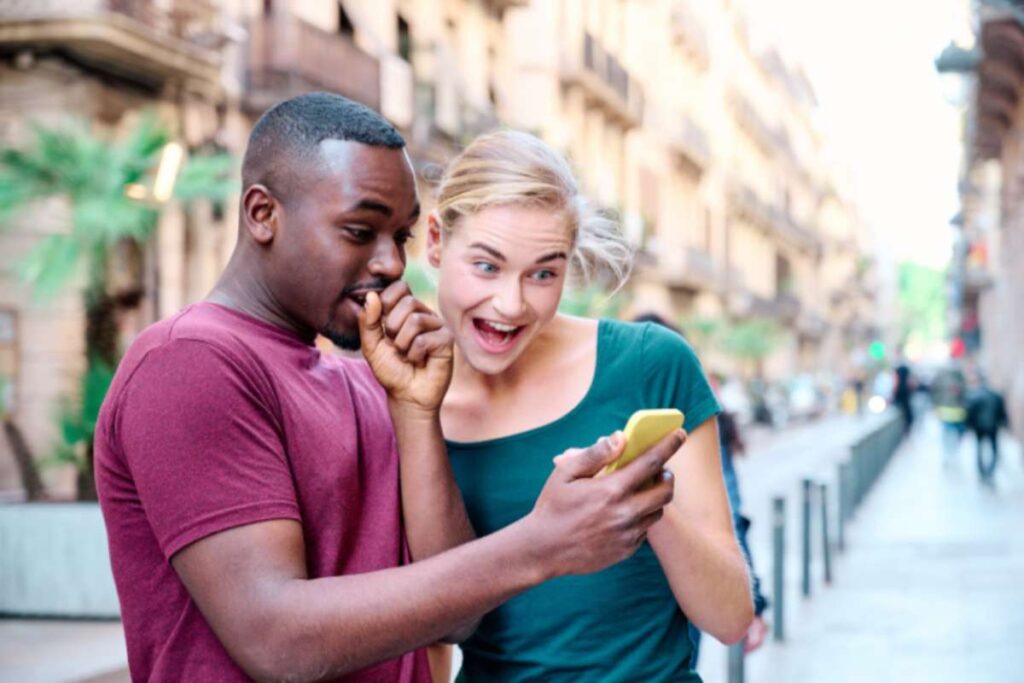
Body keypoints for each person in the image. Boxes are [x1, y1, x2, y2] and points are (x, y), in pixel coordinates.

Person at [94, 93, 681, 682]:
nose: (390, 265)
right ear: (262, 214)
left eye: (398, 238)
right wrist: (542, 542)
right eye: (358, 230)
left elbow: (456, 617)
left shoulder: (365, 378)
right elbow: (278, 642)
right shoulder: (191, 362)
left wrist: (416, 410)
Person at [426, 131, 753, 681]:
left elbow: (731, 616)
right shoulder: (410, 402)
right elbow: (429, 631)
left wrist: (639, 501)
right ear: (435, 241)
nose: (511, 304)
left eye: (543, 274)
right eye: (486, 266)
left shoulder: (651, 363)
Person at [631, 315, 770, 667]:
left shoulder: (690, 414)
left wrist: (748, 601)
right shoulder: (690, 413)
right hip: (680, 589)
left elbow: (726, 516)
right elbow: (732, 511)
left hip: (679, 588)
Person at [964, 369, 1009, 482]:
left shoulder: (974, 396)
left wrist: (969, 426)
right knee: (994, 450)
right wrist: (1004, 424)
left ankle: (982, 471)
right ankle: (990, 470)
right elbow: (1002, 412)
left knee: (979, 449)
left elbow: (970, 413)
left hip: (979, 427)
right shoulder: (995, 395)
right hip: (993, 426)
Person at [931, 361, 967, 464]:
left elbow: (965, 392)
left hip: (957, 411)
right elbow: (936, 392)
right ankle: (948, 453)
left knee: (955, 433)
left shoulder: (960, 377)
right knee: (948, 433)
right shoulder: (943, 378)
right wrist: (936, 406)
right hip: (947, 411)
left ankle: (952, 452)